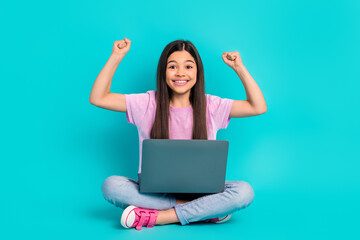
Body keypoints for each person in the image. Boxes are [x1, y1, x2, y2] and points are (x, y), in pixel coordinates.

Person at [89, 37, 267, 230]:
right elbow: (99, 97)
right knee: (111, 185)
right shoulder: (146, 103)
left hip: (202, 193)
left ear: (198, 72)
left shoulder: (212, 105)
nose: (180, 73)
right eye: (172, 66)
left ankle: (158, 217)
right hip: (156, 193)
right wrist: (116, 56)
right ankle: (204, 212)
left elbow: (257, 107)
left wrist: (239, 67)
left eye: (188, 67)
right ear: (163, 72)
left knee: (244, 191)